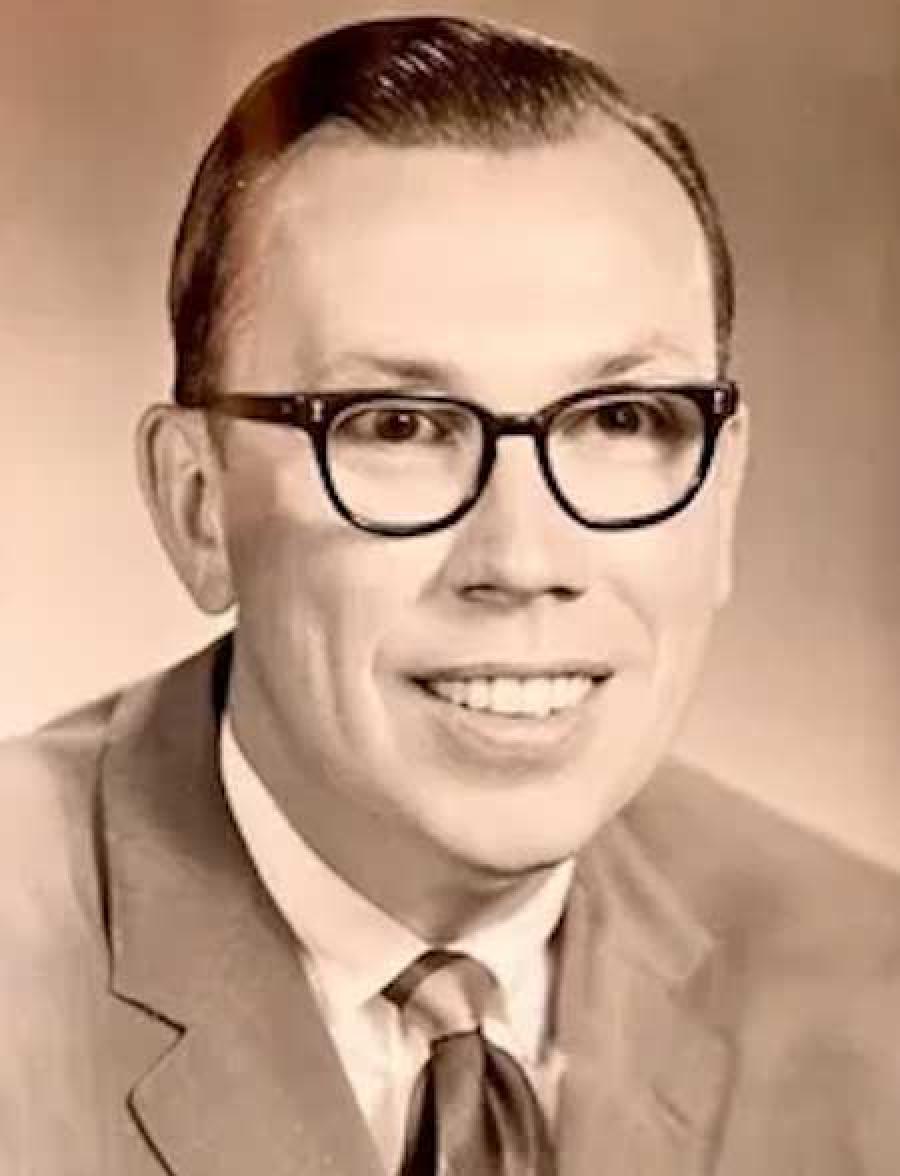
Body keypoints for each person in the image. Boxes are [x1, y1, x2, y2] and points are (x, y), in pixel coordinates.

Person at [3, 15, 899, 1176]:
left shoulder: (868, 992)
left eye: (622, 419)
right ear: (198, 505)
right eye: (398, 427)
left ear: (721, 497)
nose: (523, 558)